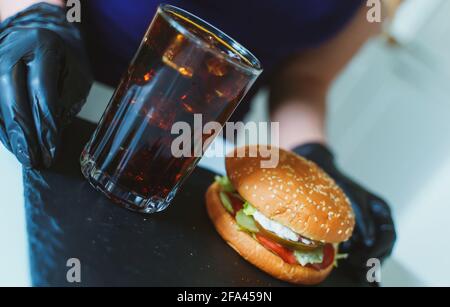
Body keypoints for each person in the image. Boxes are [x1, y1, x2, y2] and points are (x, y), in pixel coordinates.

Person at [0, 0, 396, 282]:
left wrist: (312, 153)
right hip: (54, 91)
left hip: (197, 148)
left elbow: (305, 79)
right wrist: (33, 16)